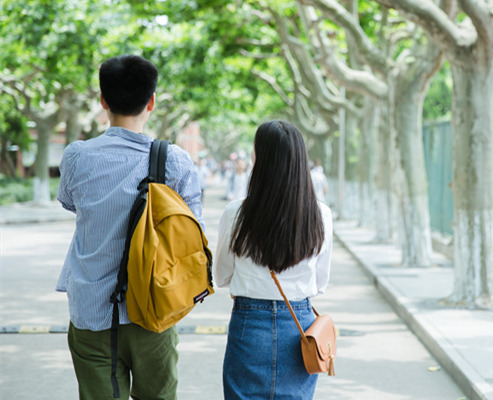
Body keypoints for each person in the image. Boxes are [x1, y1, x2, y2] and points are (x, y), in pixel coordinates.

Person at [57, 54, 204, 400]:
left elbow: (69, 202)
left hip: (92, 311)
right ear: (151, 101)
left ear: (103, 101)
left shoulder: (77, 156)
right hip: (155, 309)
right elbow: (192, 229)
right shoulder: (176, 161)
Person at [214, 120, 333, 400]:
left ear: (259, 159)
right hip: (300, 325)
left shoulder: (236, 213)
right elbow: (319, 282)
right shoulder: (321, 215)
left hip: (248, 325)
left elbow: (221, 276)